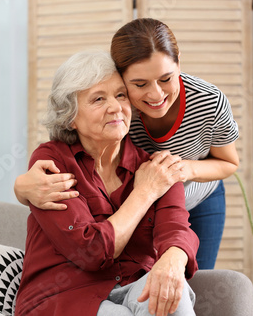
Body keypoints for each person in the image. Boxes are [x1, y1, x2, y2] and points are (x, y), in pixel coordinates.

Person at [14, 18, 239, 270]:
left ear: (179, 63)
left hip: (197, 193)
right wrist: (20, 187)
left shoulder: (208, 101)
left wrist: (182, 170)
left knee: (195, 275)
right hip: (146, 192)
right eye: (140, 84)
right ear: (121, 77)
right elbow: (73, 136)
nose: (156, 95)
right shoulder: (120, 107)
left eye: (166, 78)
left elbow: (229, 162)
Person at [14, 50, 199, 316]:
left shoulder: (156, 166)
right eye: (99, 99)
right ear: (70, 117)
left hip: (135, 284)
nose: (115, 107)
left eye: (121, 95)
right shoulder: (52, 161)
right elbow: (89, 251)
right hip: (64, 297)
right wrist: (144, 192)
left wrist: (173, 259)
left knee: (170, 294)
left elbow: (177, 229)